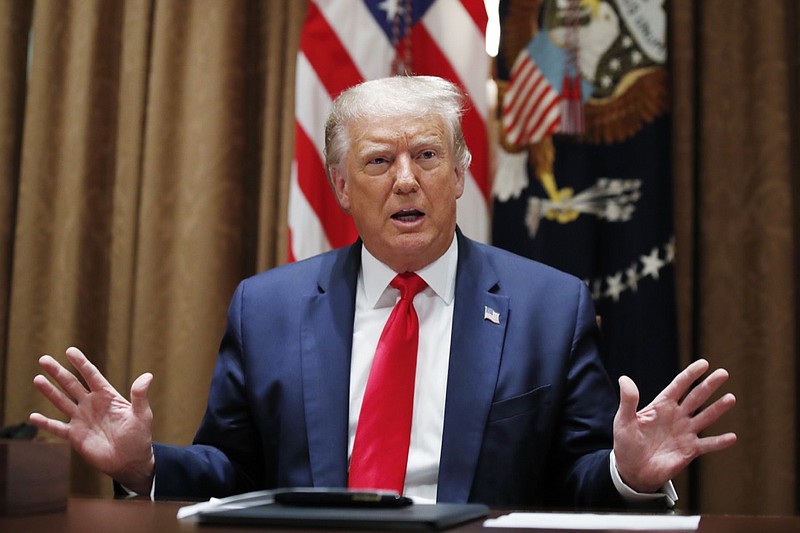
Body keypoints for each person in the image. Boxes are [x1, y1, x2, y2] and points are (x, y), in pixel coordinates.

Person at [29, 75, 736, 509]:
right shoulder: (267, 308)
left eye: (427, 155)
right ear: (340, 186)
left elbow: (573, 484)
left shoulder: (550, 307)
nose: (406, 179)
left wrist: (628, 475)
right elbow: (233, 473)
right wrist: (142, 464)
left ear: (459, 174)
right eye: (378, 160)